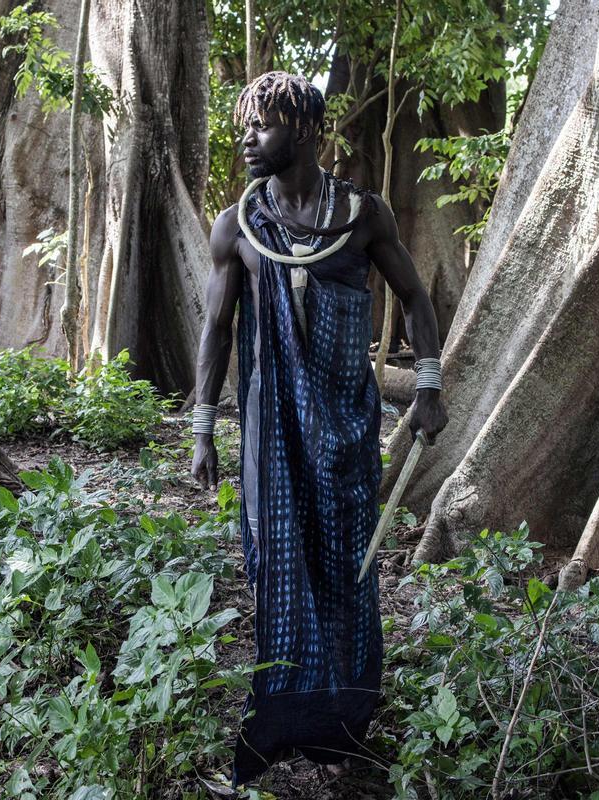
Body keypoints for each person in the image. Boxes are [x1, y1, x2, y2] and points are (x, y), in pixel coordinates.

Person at [190, 70, 448, 786]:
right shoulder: (238, 227)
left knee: (347, 569)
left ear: (302, 131)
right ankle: (279, 720)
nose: (246, 138)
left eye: (260, 126)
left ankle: (345, 732)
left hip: (343, 427)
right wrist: (204, 428)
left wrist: (427, 386)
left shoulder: (361, 215)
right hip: (270, 435)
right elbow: (215, 328)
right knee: (275, 565)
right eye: (243, 125)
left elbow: (415, 295)